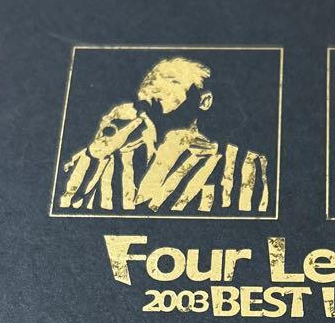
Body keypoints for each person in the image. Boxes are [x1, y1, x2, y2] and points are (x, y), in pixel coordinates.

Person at [57, 56, 270, 214]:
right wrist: (98, 151)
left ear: (204, 101)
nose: (153, 97)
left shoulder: (242, 166)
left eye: (171, 85)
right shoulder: (110, 156)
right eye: (150, 89)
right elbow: (68, 212)